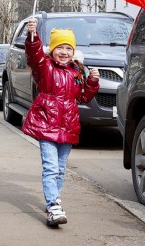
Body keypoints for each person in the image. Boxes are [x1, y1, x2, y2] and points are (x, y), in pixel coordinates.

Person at [21, 19, 99, 227]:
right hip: (46, 123)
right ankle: (54, 204)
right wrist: (32, 35)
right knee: (50, 167)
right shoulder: (44, 66)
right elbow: (34, 54)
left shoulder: (76, 72)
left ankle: (54, 200)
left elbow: (83, 97)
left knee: (61, 168)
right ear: (52, 50)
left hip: (68, 125)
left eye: (68, 48)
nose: (64, 52)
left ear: (73, 51)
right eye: (59, 48)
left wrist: (92, 82)